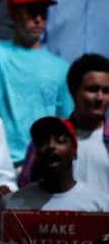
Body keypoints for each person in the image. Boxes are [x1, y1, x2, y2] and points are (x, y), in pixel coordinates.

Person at [0, 0, 73, 163]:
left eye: (42, 12)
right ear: (13, 14)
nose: (38, 18)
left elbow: (67, 123)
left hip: (44, 164)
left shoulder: (62, 68)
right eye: (31, 12)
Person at [19, 53, 109, 192]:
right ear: (73, 91)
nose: (99, 97)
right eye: (92, 89)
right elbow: (26, 188)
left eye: (106, 91)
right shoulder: (47, 139)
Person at [0, 117, 109, 222]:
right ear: (36, 153)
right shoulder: (12, 205)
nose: (51, 146)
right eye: (43, 141)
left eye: (60, 140)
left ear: (74, 150)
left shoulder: (100, 205)